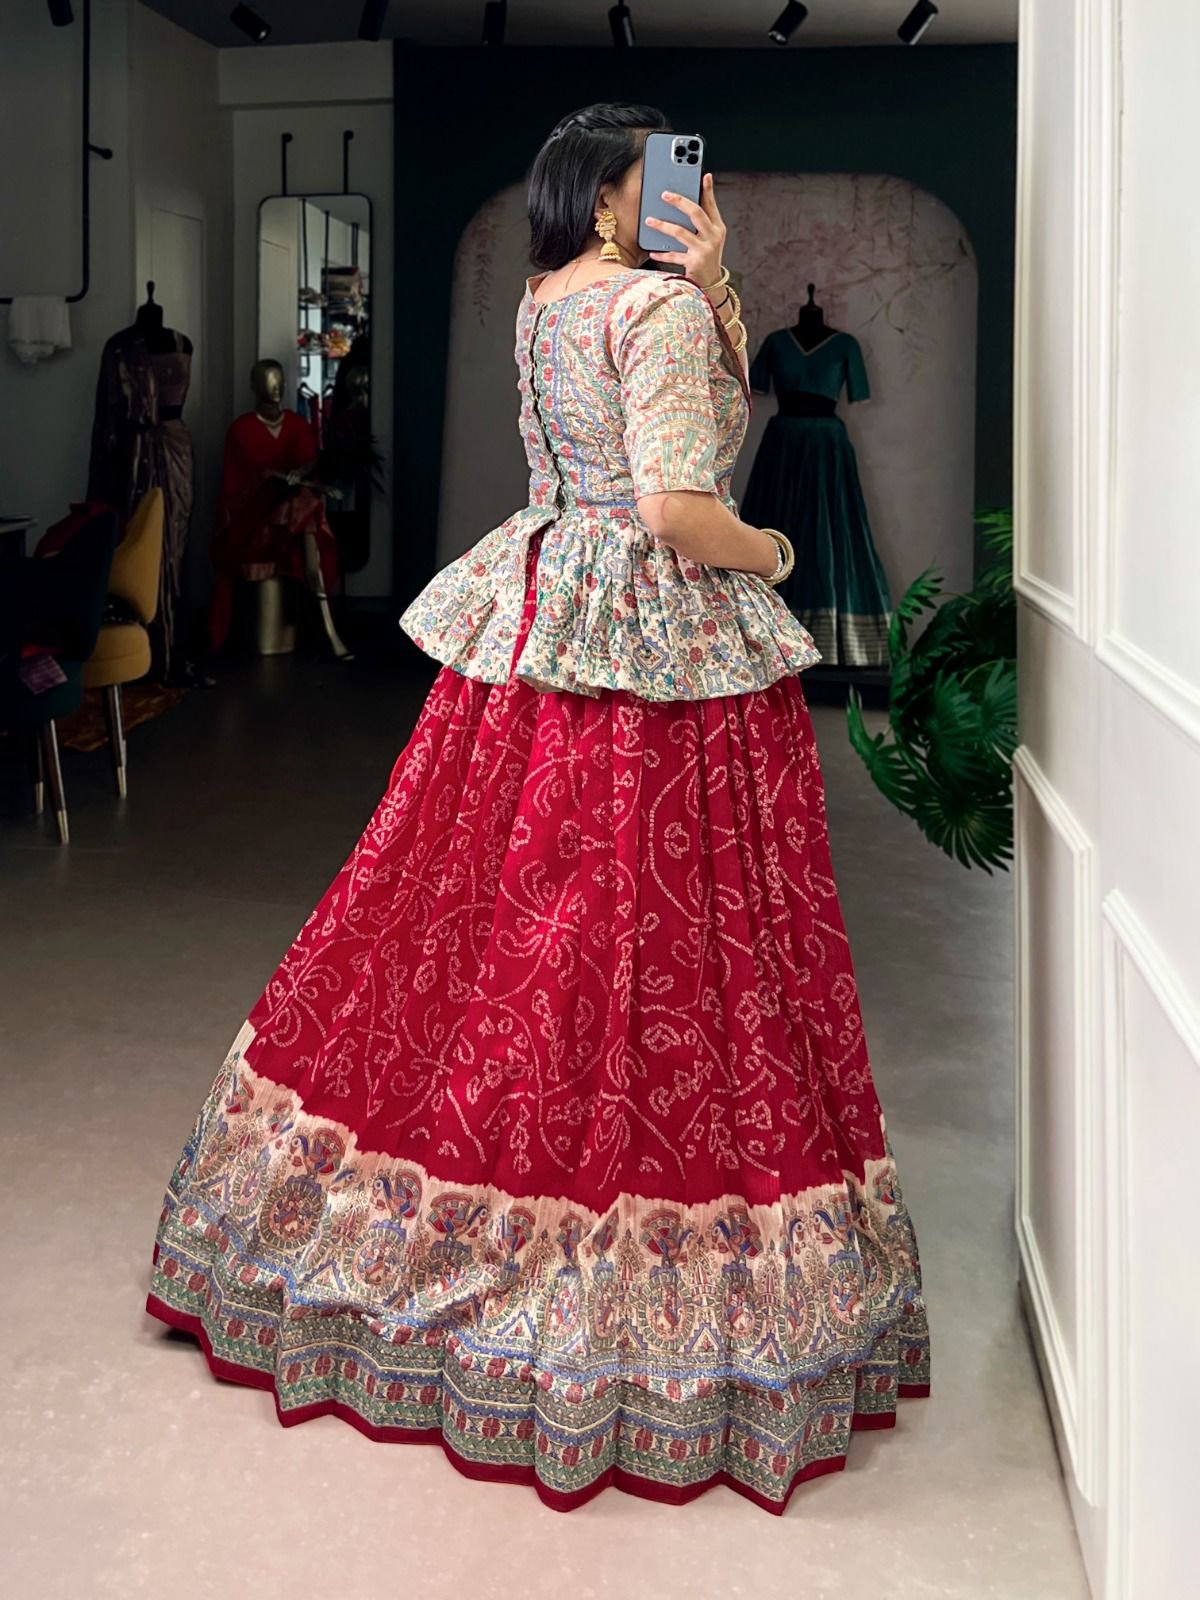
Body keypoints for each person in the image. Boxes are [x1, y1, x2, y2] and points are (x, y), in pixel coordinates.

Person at [145, 102, 931, 1514]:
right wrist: (775, 551)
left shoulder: (544, 299)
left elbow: (602, 461)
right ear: (615, 193)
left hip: (548, 605)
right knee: (671, 937)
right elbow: (680, 509)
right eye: (658, 179)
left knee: (480, 908)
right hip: (658, 631)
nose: (680, 197)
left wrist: (718, 285)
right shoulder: (655, 309)